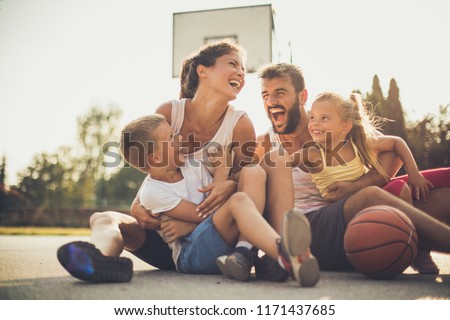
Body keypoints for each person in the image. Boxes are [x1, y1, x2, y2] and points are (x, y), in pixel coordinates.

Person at [56, 40, 258, 281]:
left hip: (206, 233)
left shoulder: (240, 125)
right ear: (203, 71)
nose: (242, 72)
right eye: (233, 64)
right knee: (102, 218)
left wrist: (230, 185)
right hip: (166, 237)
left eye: (243, 68)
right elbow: (156, 168)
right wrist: (137, 205)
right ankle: (98, 261)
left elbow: (247, 184)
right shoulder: (170, 113)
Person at [58, 114, 320, 287]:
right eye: (171, 138)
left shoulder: (191, 165)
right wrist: (219, 196)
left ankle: (276, 256)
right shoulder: (153, 192)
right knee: (239, 202)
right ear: (154, 159)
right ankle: (285, 253)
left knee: (241, 194)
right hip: (191, 255)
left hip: (207, 237)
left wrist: (222, 179)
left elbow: (221, 166)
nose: (179, 139)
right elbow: (201, 212)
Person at [253, 63, 450, 278]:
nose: (271, 102)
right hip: (310, 226)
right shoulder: (263, 144)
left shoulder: (327, 127)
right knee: (371, 196)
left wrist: (353, 187)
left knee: (439, 196)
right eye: (265, 95)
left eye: (279, 93)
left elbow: (391, 150)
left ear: (302, 96)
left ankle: (417, 244)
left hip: (347, 213)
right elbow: (247, 185)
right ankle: (423, 243)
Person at [291, 91, 432, 203]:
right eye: (312, 117)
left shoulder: (356, 146)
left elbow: (397, 142)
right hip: (341, 208)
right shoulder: (310, 153)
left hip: (365, 197)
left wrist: (414, 173)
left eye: (324, 118)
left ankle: (410, 233)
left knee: (401, 189)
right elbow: (282, 161)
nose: (314, 123)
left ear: (345, 126)